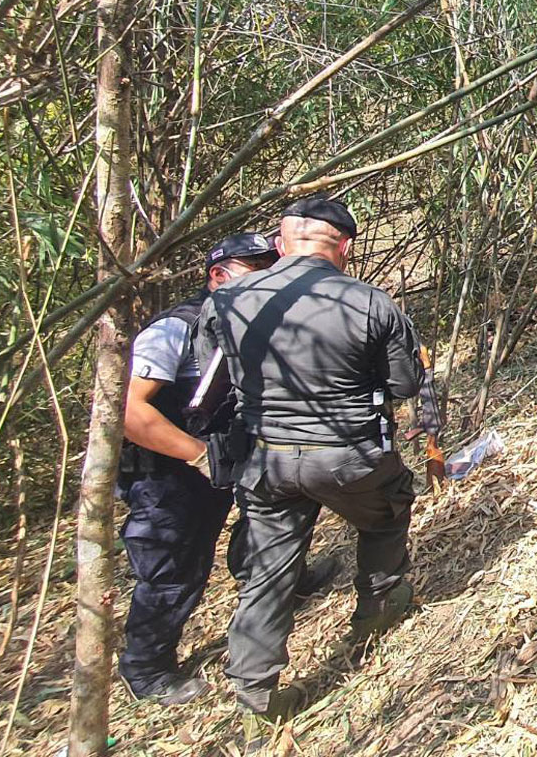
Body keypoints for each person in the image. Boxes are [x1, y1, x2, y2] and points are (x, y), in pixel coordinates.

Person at [203, 197, 425, 719]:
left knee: (268, 570)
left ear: (280, 245)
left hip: (264, 460)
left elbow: (213, 382)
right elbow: (404, 383)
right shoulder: (369, 302)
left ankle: (256, 698)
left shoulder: (227, 299)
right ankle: (378, 607)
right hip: (347, 455)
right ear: (343, 246)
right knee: (389, 509)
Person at [117, 232, 284, 705]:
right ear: (218, 276)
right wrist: (195, 454)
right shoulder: (175, 330)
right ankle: (146, 669)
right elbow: (130, 413)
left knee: (271, 519)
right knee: (173, 570)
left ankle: (263, 578)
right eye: (258, 274)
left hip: (228, 456)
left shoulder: (252, 327)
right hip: (166, 476)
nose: (268, 285)